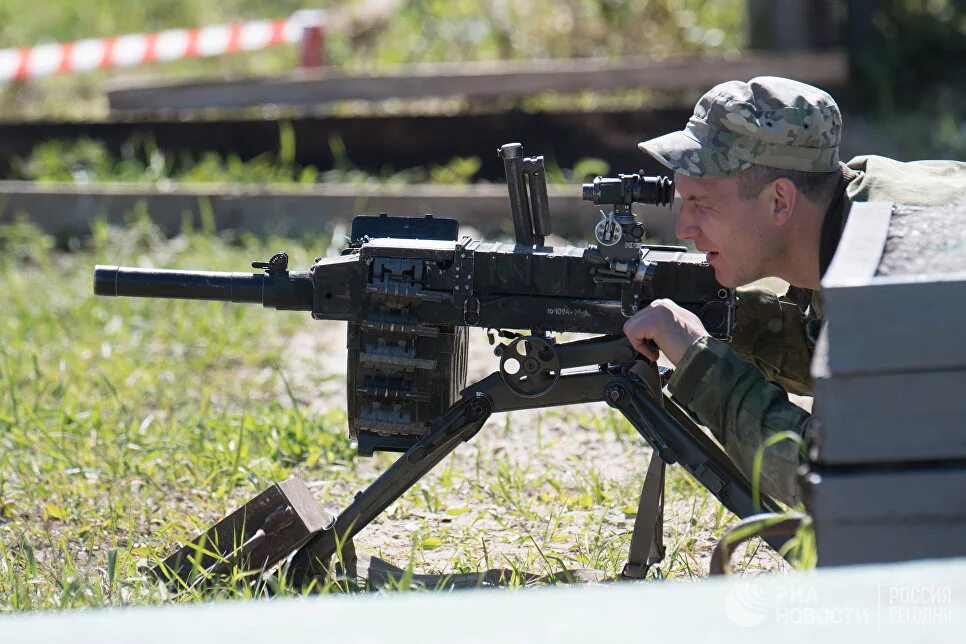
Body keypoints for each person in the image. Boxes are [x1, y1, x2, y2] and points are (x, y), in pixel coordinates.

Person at [622, 76, 966, 506]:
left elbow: (841, 485)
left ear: (780, 201)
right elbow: (832, 356)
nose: (684, 228)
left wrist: (700, 364)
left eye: (702, 204)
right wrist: (727, 320)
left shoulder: (893, 274)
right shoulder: (858, 208)